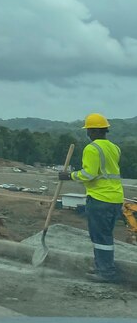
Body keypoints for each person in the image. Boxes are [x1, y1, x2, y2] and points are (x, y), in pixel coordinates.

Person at [59, 113, 124, 283]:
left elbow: (88, 174)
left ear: (94, 130)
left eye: (88, 130)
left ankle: (105, 272)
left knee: (100, 238)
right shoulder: (115, 148)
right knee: (105, 235)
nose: (87, 133)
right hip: (116, 198)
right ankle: (102, 266)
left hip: (100, 198)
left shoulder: (92, 148)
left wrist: (69, 175)